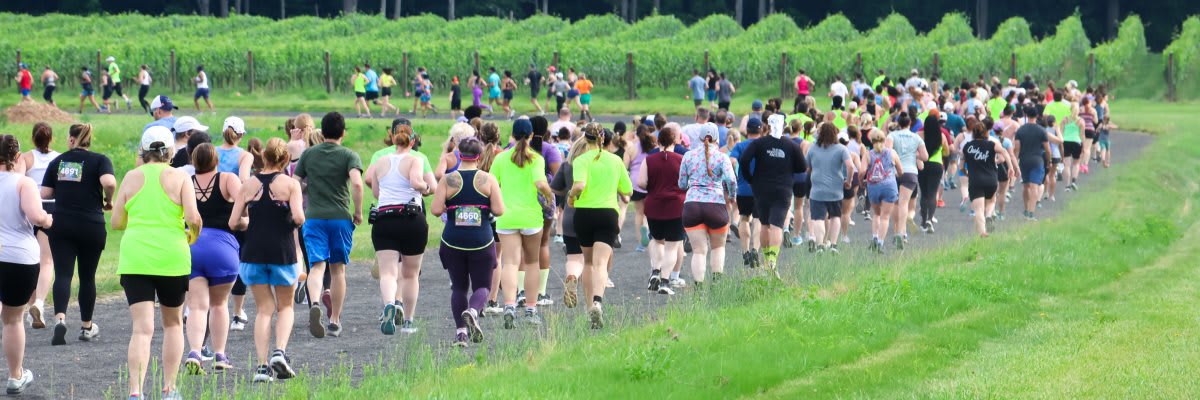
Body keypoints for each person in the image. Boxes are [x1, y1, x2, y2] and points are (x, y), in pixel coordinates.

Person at [111, 125, 201, 400]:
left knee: (141, 329)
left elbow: (116, 222)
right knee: (173, 324)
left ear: (144, 150)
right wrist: (191, 237)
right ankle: (169, 389)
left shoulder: (130, 177)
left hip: (135, 257)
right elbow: (194, 218)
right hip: (171, 256)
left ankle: (135, 393)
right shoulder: (181, 177)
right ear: (171, 150)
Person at [229, 137, 304, 383]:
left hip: (252, 253)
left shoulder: (248, 184)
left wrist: (250, 222)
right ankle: (279, 352)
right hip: (282, 253)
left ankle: (262, 367)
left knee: (263, 310)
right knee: (286, 307)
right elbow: (299, 218)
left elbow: (233, 223)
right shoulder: (290, 184)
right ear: (284, 159)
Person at [40, 124, 114, 347]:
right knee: (87, 277)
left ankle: (60, 319)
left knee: (63, 274)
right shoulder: (100, 160)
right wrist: (108, 200)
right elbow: (109, 182)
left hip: (62, 224)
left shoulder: (58, 162)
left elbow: (45, 193)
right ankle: (86, 326)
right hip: (91, 225)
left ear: (72, 140)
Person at [294, 112, 363, 338]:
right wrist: (358, 212)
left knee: (316, 266)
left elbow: (295, 182)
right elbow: (357, 184)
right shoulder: (349, 155)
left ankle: (314, 302)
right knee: (338, 270)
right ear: (343, 132)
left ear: (322, 132)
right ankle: (334, 320)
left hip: (313, 217)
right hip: (340, 218)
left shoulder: (309, 154)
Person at [430, 137, 504, 346]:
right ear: (479, 157)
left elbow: (435, 210)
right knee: (482, 286)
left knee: (459, 288)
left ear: (459, 155)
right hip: (481, 240)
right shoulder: (487, 179)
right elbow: (499, 210)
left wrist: (450, 207)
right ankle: (473, 310)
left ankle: (461, 333)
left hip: (453, 240)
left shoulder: (448, 179)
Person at [182, 143, 242, 375]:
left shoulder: (187, 182)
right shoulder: (227, 179)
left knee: (196, 306)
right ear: (216, 160)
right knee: (218, 305)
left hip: (192, 246)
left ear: (193, 161)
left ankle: (195, 352)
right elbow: (243, 201)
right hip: (223, 247)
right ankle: (219, 354)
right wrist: (241, 220)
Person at [0, 134, 53, 395]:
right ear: (17, 157)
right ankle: (15, 375)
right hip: (18, 257)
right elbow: (35, 216)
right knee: (12, 319)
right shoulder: (24, 183)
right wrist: (47, 219)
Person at [366, 124, 429, 335]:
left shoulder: (379, 162)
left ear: (393, 140)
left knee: (387, 272)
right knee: (410, 274)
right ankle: (409, 321)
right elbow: (415, 181)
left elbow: (376, 191)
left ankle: (389, 305)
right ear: (412, 142)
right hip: (411, 218)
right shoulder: (415, 160)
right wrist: (425, 188)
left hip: (384, 219)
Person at [490, 118, 554, 328]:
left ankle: (509, 305)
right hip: (530, 217)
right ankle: (530, 308)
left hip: (506, 216)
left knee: (510, 262)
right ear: (531, 135)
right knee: (532, 262)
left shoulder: (501, 158)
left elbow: (491, 184)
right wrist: (550, 195)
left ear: (513, 135)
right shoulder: (536, 158)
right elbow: (539, 182)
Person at [569, 123, 633, 329]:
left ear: (585, 139)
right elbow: (628, 189)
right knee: (601, 263)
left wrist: (572, 196)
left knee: (588, 262)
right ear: (605, 140)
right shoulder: (615, 160)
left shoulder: (580, 160)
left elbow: (579, 185)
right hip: (607, 213)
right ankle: (598, 301)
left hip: (584, 214)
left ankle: (589, 308)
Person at [738, 114, 805, 275]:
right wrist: (788, 170)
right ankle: (772, 260)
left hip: (761, 188)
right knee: (777, 225)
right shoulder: (791, 146)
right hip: (783, 189)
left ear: (767, 125)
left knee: (765, 224)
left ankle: (767, 258)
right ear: (783, 126)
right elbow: (802, 167)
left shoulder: (759, 143)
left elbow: (744, 160)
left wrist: (749, 178)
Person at [677, 123, 736, 284]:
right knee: (718, 248)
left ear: (700, 137)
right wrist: (732, 195)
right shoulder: (722, 157)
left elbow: (682, 184)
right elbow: (731, 179)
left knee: (698, 251)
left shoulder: (688, 156)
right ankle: (717, 284)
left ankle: (698, 286)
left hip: (692, 205)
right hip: (715, 205)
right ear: (717, 138)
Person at [636, 126, 685, 295]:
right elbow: (686, 183)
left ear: (658, 141)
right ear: (676, 141)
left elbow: (641, 183)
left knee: (657, 240)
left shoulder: (649, 160)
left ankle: (655, 271)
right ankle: (665, 281)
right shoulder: (681, 159)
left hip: (654, 205)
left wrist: (654, 185)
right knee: (672, 246)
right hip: (676, 206)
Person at [18, 124, 58, 330]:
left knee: (31, 260)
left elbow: (18, 180)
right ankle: (39, 303)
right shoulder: (59, 158)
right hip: (50, 211)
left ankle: (31, 304)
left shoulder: (25, 158)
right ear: (51, 139)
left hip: (28, 210)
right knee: (47, 261)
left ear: (33, 138)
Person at [550, 136, 588, 307]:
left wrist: (568, 190)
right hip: (592, 213)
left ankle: (572, 276)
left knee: (573, 257)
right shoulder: (595, 164)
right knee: (591, 260)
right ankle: (592, 300)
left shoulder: (567, 165)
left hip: (570, 215)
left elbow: (555, 188)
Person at [806, 123, 854, 253]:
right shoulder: (841, 149)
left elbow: (808, 168)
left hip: (817, 190)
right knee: (835, 217)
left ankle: (820, 245)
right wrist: (848, 181)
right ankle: (833, 245)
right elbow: (850, 166)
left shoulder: (813, 148)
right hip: (835, 190)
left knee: (818, 218)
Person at [884, 113, 927, 249]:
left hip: (895, 172)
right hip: (910, 172)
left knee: (895, 204)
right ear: (910, 124)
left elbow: (887, 152)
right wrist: (915, 154)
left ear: (898, 123)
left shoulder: (891, 136)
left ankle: (898, 231)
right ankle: (902, 233)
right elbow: (925, 157)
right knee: (904, 203)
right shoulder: (916, 138)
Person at [963, 121, 1012, 237]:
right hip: (991, 179)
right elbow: (1004, 151)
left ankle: (982, 232)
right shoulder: (991, 144)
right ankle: (989, 215)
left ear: (973, 133)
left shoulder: (967, 146)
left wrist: (966, 173)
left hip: (975, 180)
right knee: (991, 201)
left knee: (978, 209)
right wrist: (1010, 167)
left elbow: (961, 166)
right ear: (985, 132)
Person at [1012, 106, 1061, 220]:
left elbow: (1016, 149)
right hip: (1037, 160)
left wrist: (1015, 164)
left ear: (1026, 115)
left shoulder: (1020, 130)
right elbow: (1047, 149)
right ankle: (1030, 213)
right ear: (1037, 116)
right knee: (1035, 187)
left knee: (1026, 186)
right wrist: (1048, 161)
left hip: (1024, 160)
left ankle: (1025, 209)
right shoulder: (1041, 130)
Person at [729, 117, 763, 267]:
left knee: (744, 218)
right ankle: (755, 249)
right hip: (761, 190)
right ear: (761, 130)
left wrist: (736, 175)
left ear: (747, 131)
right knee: (758, 220)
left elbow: (731, 160)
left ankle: (745, 250)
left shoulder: (740, 146)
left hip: (743, 188)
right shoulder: (763, 146)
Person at [862, 128, 901, 252]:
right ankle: (880, 242)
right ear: (884, 140)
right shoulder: (892, 153)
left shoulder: (868, 154)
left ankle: (874, 237)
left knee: (877, 214)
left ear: (871, 140)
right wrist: (897, 175)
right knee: (885, 216)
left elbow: (862, 170)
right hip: (889, 185)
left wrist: (862, 181)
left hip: (873, 186)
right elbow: (900, 170)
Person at [917, 113, 946, 233]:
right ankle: (930, 219)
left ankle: (923, 221)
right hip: (936, 165)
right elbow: (947, 152)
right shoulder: (942, 136)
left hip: (923, 165)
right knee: (932, 193)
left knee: (924, 193)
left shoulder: (919, 135)